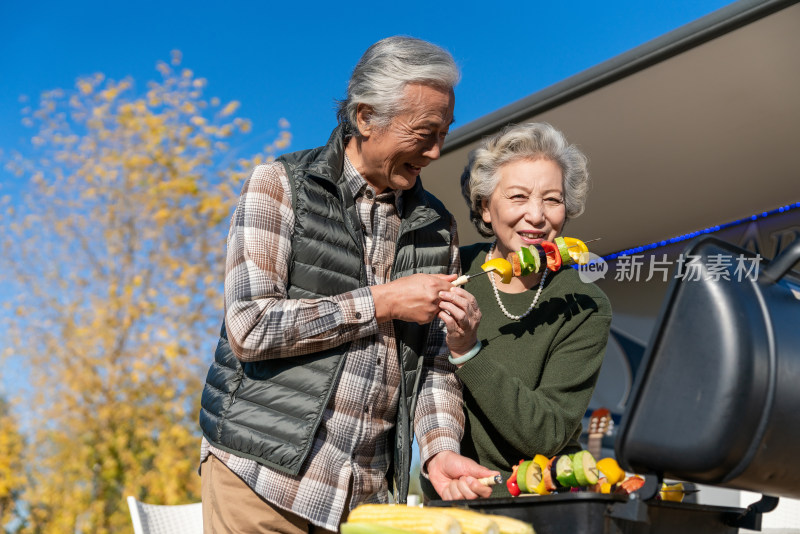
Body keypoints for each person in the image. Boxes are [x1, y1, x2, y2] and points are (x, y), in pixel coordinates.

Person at [198, 36, 498, 533]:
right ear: (364, 117)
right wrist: (382, 302)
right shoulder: (278, 186)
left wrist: (439, 449)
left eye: (444, 132)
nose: (437, 150)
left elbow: (435, 364)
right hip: (260, 480)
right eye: (424, 132)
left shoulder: (437, 226)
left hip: (365, 501)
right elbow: (250, 328)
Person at [426, 122, 612, 498]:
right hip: (451, 498)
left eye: (552, 199)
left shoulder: (585, 305)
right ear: (485, 208)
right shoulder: (446, 274)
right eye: (518, 197)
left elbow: (548, 434)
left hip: (537, 506)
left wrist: (469, 352)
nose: (537, 216)